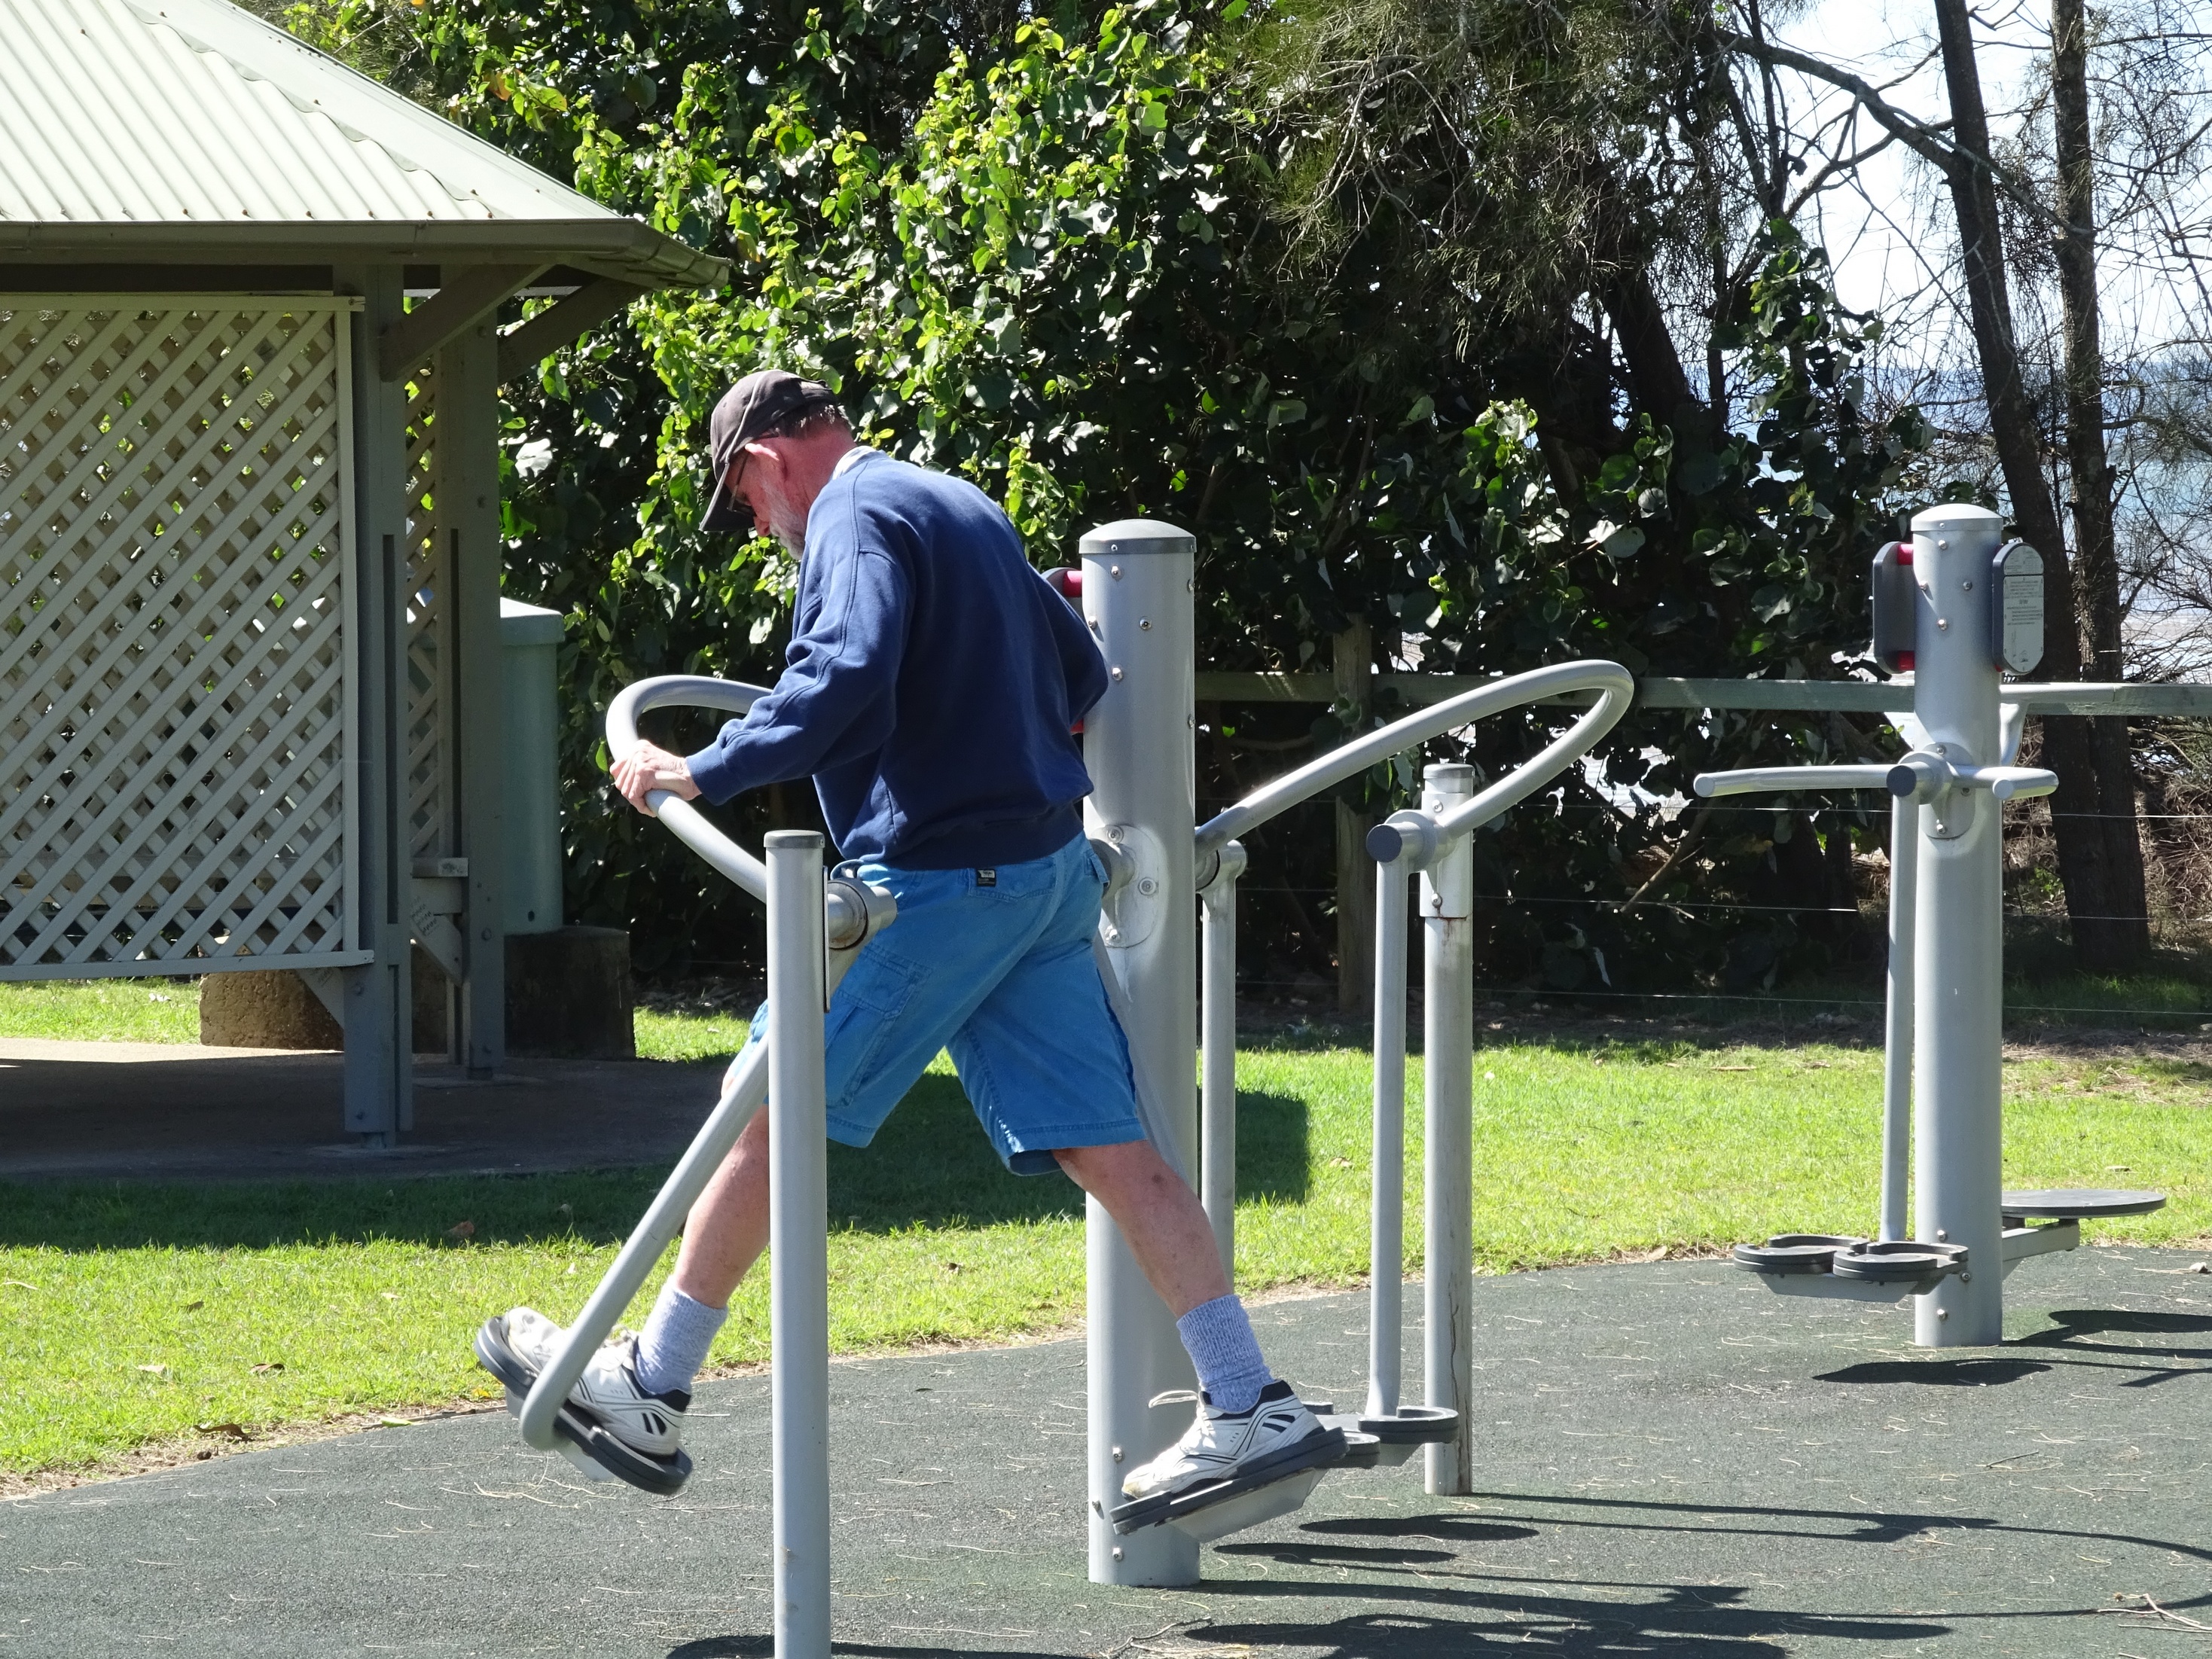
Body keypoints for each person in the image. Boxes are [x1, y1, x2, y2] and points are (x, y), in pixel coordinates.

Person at [484, 369, 1339, 1510]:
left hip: (940, 885)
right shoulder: (957, 502)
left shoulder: (850, 514)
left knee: (766, 1105)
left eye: (743, 503)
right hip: (1040, 879)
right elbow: (1080, 672)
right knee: (1113, 1147)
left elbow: (845, 669)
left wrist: (700, 768)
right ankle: (1248, 1399)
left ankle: (654, 1385)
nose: (759, 528)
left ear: (764, 461)